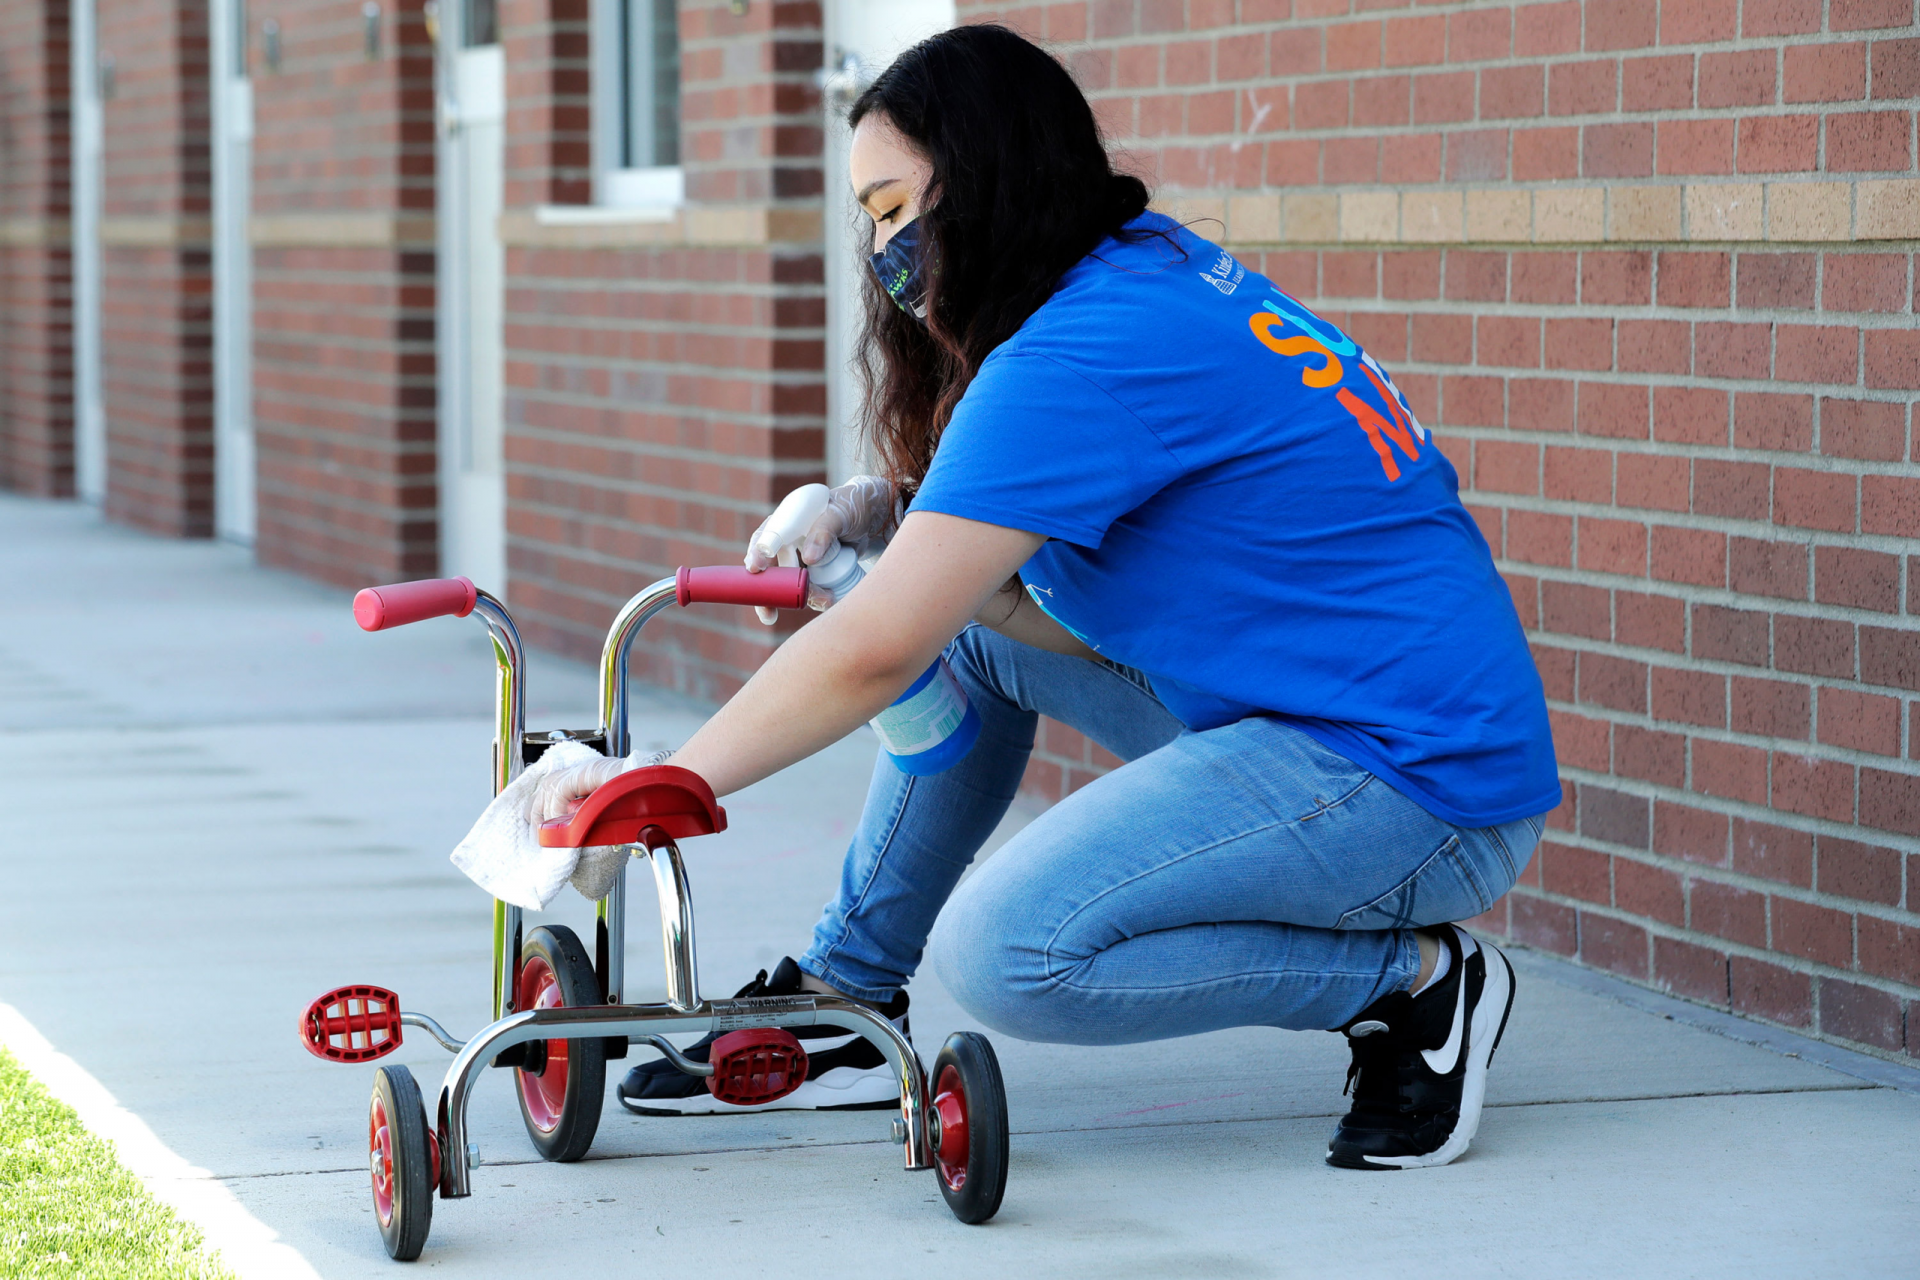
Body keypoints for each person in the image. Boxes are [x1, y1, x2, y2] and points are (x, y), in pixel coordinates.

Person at [533, 23, 1558, 1171]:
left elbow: (876, 647)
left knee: (1014, 950)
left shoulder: (1080, 354)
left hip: (1413, 781)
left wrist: (664, 785)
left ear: (984, 180)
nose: (881, 248)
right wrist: (882, 510)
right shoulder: (1144, 271)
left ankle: (1416, 986)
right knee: (968, 643)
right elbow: (1022, 564)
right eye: (867, 219)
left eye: (890, 208)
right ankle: (850, 998)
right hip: (1340, 713)